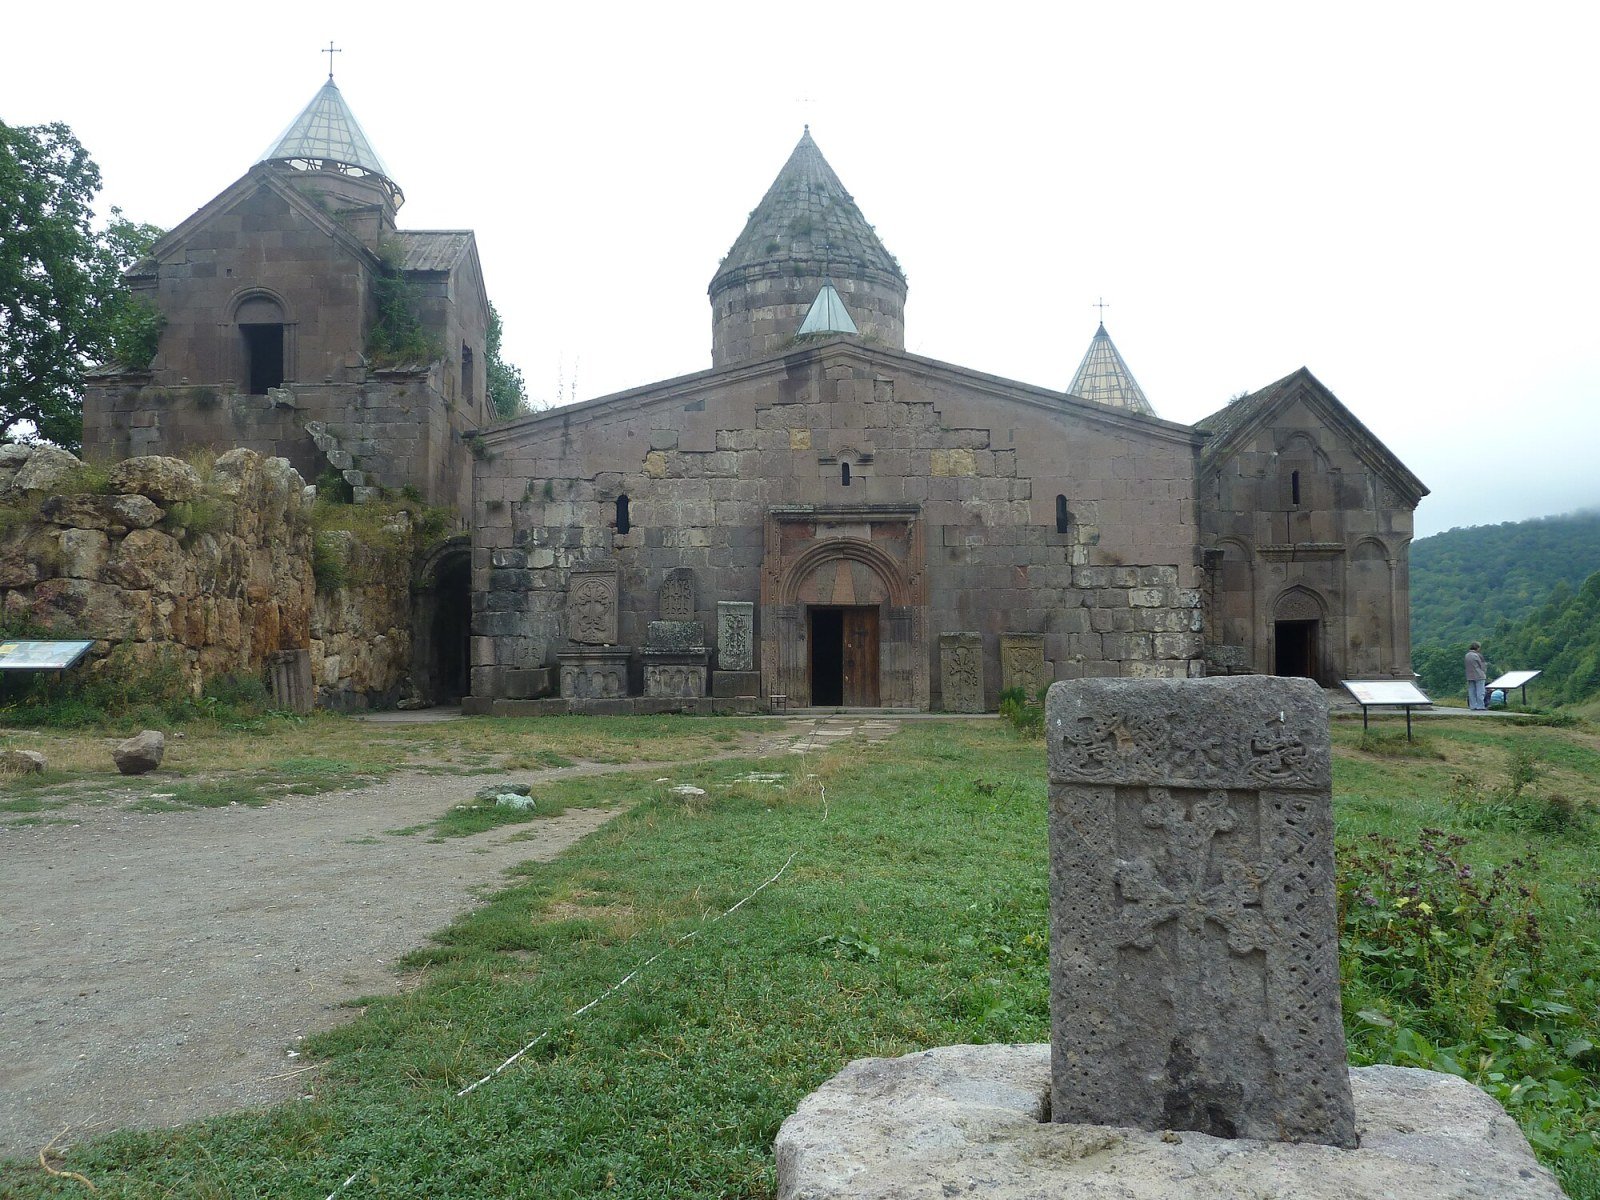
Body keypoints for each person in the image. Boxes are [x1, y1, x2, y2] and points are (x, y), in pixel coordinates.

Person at [1464, 642, 1488, 711]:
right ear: (1477, 648)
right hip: (1479, 675)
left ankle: (1473, 705)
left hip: (1469, 675)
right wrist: (1484, 671)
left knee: (1471, 691)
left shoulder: (1467, 655)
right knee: (1480, 691)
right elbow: (1482, 666)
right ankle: (1480, 705)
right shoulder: (1478, 655)